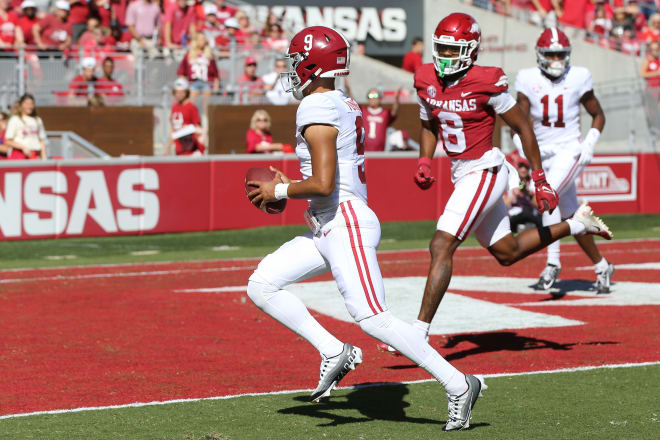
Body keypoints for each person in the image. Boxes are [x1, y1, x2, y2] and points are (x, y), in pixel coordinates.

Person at [245, 25, 483, 432]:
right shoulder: (342, 102)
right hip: (329, 222)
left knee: (374, 318)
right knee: (262, 284)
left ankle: (460, 383)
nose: (292, 67)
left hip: (344, 221)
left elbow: (322, 183)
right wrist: (287, 186)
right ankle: (334, 350)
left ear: (313, 64)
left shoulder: (316, 106)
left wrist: (280, 188)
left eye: (297, 59)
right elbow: (324, 178)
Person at [407, 14, 612, 347]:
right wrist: (424, 159)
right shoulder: (424, 78)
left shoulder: (488, 80)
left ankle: (417, 332)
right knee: (507, 252)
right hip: (462, 172)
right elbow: (429, 123)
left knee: (441, 244)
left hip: (485, 170)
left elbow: (522, 127)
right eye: (441, 48)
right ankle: (576, 225)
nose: (445, 56)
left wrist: (541, 178)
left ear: (472, 51)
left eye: (453, 49)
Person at [514, 27, 614, 293]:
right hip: (542, 154)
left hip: (569, 150)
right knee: (571, 214)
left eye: (561, 54)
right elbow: (519, 120)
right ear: (540, 55)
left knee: (547, 196)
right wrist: (518, 142)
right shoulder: (527, 78)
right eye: (551, 54)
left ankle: (553, 264)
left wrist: (589, 143)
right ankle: (603, 266)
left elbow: (598, 115)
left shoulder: (579, 76)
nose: (557, 60)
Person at [177, 32, 219, 109]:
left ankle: (206, 116)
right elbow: (182, 72)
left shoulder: (209, 55)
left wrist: (216, 85)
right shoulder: (189, 55)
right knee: (192, 96)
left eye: (203, 39)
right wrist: (185, 84)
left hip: (207, 82)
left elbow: (215, 73)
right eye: (200, 39)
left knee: (207, 97)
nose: (202, 41)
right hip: (193, 82)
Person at [166, 78, 205, 156]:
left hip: (190, 150)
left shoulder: (191, 107)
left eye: (181, 92)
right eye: (176, 92)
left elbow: (198, 129)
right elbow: (173, 130)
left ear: (186, 93)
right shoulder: (174, 107)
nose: (179, 95)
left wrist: (187, 128)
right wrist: (167, 149)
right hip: (179, 150)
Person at [4, 94, 47, 160]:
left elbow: (41, 140)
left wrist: (44, 158)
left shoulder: (38, 120)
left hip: (34, 155)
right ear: (21, 104)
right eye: (27, 104)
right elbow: (7, 141)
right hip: (19, 154)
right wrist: (23, 147)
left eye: (31, 104)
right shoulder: (15, 119)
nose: (29, 106)